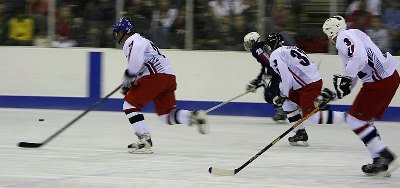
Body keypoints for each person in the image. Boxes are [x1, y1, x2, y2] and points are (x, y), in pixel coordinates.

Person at [112, 17, 207, 154]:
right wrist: (131, 80)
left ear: (125, 31)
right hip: (168, 77)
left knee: (129, 104)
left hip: (156, 77)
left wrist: (128, 77)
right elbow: (141, 66)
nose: (116, 35)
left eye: (118, 31)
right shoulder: (142, 41)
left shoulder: (133, 41)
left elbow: (135, 65)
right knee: (167, 115)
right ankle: (193, 116)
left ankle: (145, 141)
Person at [321, 15, 399, 176]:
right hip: (385, 80)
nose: (329, 39)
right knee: (365, 122)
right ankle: (380, 161)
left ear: (331, 33)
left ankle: (384, 155)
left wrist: (346, 79)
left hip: (380, 82)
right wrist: (332, 95)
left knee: (354, 120)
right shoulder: (352, 36)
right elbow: (352, 76)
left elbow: (359, 59)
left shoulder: (343, 37)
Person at [262, 32, 347, 146]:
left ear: (272, 44)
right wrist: (284, 94)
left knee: (313, 117)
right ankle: (300, 132)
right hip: (308, 83)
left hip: (308, 86)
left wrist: (283, 95)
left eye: (268, 46)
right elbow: (289, 76)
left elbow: (286, 76)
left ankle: (349, 117)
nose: (267, 49)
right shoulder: (289, 49)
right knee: (287, 103)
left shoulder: (275, 55)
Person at [243, 31, 287, 122]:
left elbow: (269, 63)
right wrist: (258, 80)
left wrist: (261, 79)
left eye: (249, 43)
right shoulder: (261, 47)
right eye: (246, 44)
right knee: (275, 93)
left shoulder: (256, 49)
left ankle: (281, 111)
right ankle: (281, 110)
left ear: (254, 41)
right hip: (279, 70)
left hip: (277, 71)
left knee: (269, 95)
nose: (248, 46)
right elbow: (265, 66)